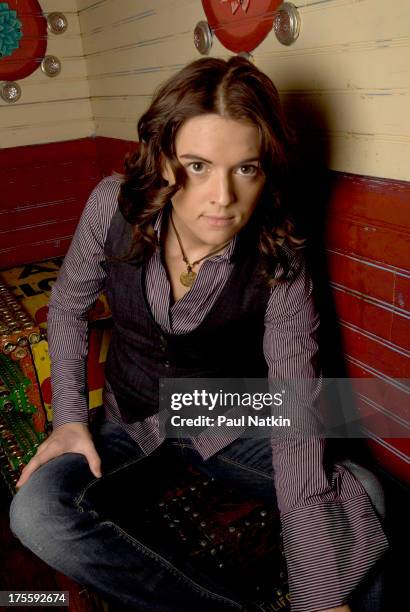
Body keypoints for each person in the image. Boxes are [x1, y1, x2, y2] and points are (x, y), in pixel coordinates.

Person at [10, 57, 388, 612]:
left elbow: (296, 409)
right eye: (197, 165)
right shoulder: (111, 207)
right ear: (163, 158)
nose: (222, 197)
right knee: (36, 513)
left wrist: (318, 596)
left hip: (222, 411)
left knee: (365, 492)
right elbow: (66, 306)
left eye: (246, 169)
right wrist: (69, 418)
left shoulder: (280, 255)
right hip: (129, 415)